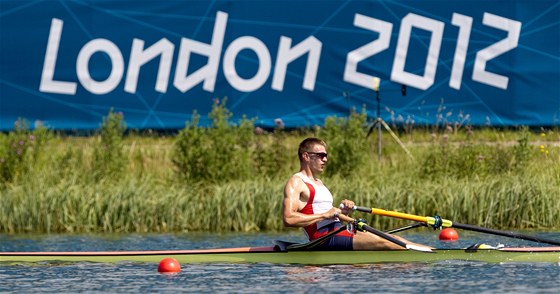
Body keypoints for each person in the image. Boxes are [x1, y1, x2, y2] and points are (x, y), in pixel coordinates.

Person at [282, 137, 429, 250]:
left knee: (392, 238)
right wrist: (324, 215)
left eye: (325, 155)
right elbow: (288, 219)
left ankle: (431, 252)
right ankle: (432, 257)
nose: (325, 159)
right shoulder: (296, 182)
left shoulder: (319, 183)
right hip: (323, 238)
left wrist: (344, 211)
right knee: (385, 241)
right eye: (320, 155)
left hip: (338, 231)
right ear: (306, 156)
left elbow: (331, 215)